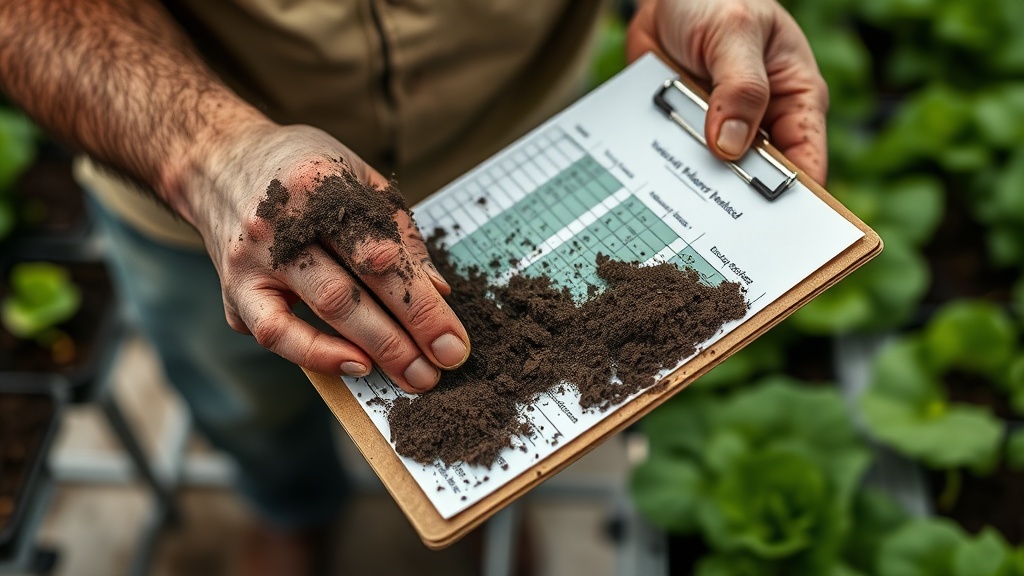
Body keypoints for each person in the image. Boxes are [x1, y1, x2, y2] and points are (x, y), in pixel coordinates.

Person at [0, 0, 828, 573]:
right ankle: (289, 509)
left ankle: (489, 505)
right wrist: (201, 147)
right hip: (210, 192)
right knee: (245, 398)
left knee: (507, 423)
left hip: (519, 136)